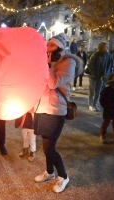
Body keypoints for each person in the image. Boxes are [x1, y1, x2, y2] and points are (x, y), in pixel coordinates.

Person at [33, 33, 83, 193]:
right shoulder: (47, 61)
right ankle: (49, 172)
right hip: (41, 108)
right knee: (45, 144)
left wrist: (47, 65)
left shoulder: (68, 62)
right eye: (47, 45)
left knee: (49, 148)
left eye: (52, 45)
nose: (48, 48)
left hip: (56, 109)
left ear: (61, 46)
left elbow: (54, 83)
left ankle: (63, 176)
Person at [86, 42, 114, 111]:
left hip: (102, 76)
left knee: (98, 91)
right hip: (94, 76)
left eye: (107, 47)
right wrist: (93, 72)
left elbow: (110, 66)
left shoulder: (109, 55)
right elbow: (90, 63)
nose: (107, 48)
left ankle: (95, 104)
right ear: (101, 47)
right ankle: (90, 104)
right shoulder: (96, 54)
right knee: (92, 90)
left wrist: (108, 75)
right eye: (105, 47)